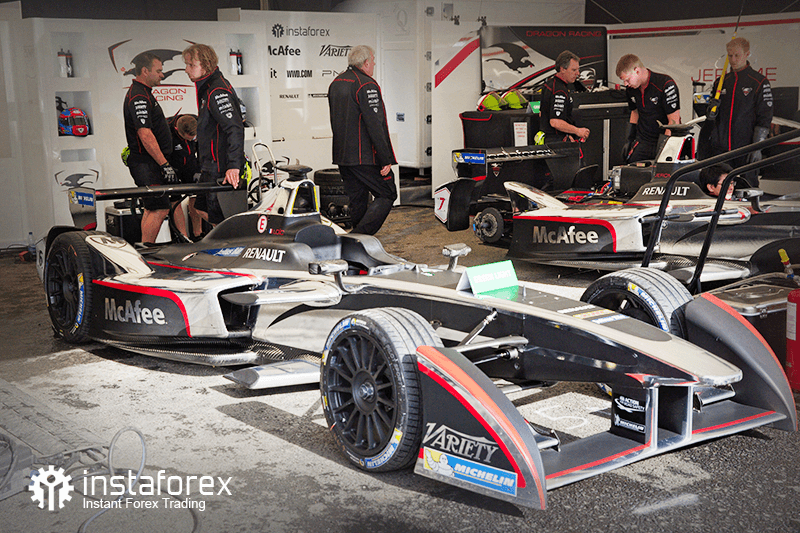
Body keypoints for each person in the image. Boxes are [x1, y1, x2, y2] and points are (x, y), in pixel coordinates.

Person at [328, 44, 397, 235]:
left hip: (342, 155)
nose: (374, 64)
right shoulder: (366, 85)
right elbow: (375, 124)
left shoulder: (336, 82)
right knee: (387, 193)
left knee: (357, 198)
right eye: (373, 60)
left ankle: (357, 242)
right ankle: (360, 236)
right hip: (364, 157)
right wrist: (385, 158)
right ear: (366, 62)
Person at [123, 52, 186, 243]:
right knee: (158, 208)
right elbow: (145, 134)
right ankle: (146, 250)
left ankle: (149, 247)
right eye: (158, 71)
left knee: (156, 207)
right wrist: (164, 164)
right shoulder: (138, 96)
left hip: (152, 163)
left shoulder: (145, 93)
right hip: (146, 163)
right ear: (145, 71)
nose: (162, 75)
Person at [182, 43, 244, 228]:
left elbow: (235, 128)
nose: (186, 70)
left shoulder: (217, 91)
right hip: (209, 165)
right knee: (201, 209)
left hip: (221, 167)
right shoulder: (207, 88)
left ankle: (230, 242)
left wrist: (233, 166)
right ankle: (224, 239)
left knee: (221, 218)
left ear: (206, 65)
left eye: (191, 65)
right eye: (186, 64)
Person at [702, 37, 773, 186]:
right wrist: (711, 113)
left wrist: (757, 147)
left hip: (745, 148)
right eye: (730, 55)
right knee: (720, 189)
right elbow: (711, 117)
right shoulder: (721, 82)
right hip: (721, 149)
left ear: (747, 54)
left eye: (737, 55)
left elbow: (765, 118)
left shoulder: (759, 81)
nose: (733, 59)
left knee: (747, 187)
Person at [616, 54, 681, 163]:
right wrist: (629, 140)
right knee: (630, 167)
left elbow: (674, 120)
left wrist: (664, 146)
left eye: (627, 80)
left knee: (661, 172)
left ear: (637, 71)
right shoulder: (631, 89)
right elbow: (635, 112)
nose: (625, 84)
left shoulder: (665, 84)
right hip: (643, 141)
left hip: (664, 139)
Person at [539, 50, 590, 144]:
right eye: (574, 70)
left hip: (550, 140)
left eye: (578, 70)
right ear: (562, 69)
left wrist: (567, 134)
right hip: (557, 143)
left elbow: (541, 113)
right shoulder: (559, 90)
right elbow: (555, 122)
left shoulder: (549, 84)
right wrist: (577, 131)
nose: (578, 73)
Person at [168, 114, 203, 239]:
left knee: (196, 195)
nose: (192, 139)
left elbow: (203, 148)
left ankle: (198, 234)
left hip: (190, 162)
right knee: (175, 199)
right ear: (177, 130)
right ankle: (183, 236)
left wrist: (201, 167)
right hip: (172, 164)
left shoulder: (198, 122)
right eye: (188, 138)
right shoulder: (166, 129)